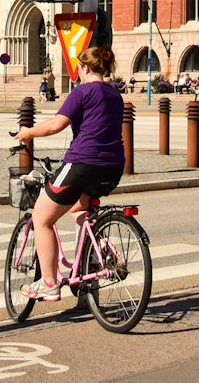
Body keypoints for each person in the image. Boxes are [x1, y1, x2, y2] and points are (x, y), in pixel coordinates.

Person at [14, 45, 124, 302]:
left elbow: (56, 125)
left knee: (42, 219)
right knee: (77, 209)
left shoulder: (82, 92)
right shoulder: (115, 95)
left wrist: (27, 132)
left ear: (85, 68)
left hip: (82, 164)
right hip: (114, 167)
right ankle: (102, 246)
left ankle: (50, 283)